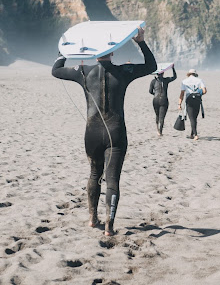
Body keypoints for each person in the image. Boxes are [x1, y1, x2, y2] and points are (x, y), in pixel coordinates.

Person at [51, 27, 156, 236]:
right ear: (113, 51)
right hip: (116, 132)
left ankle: (92, 218)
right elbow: (151, 66)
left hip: (92, 132)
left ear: (95, 52)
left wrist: (65, 50)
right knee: (112, 180)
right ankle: (109, 226)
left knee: (93, 173)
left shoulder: (83, 71)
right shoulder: (124, 71)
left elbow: (56, 70)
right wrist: (141, 41)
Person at [178, 69, 207, 140]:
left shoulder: (184, 81)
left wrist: (179, 104)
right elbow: (204, 91)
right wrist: (199, 92)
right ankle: (192, 134)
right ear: (195, 74)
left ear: (188, 74)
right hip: (197, 100)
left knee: (192, 118)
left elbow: (182, 94)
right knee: (194, 118)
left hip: (189, 100)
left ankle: (196, 135)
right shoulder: (200, 80)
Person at [149, 66, 177, 136]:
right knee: (162, 116)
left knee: (157, 115)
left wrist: (155, 94)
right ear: (163, 73)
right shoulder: (166, 80)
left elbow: (150, 91)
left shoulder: (153, 81)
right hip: (164, 99)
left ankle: (157, 129)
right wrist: (173, 68)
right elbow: (174, 77)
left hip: (155, 99)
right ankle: (160, 132)